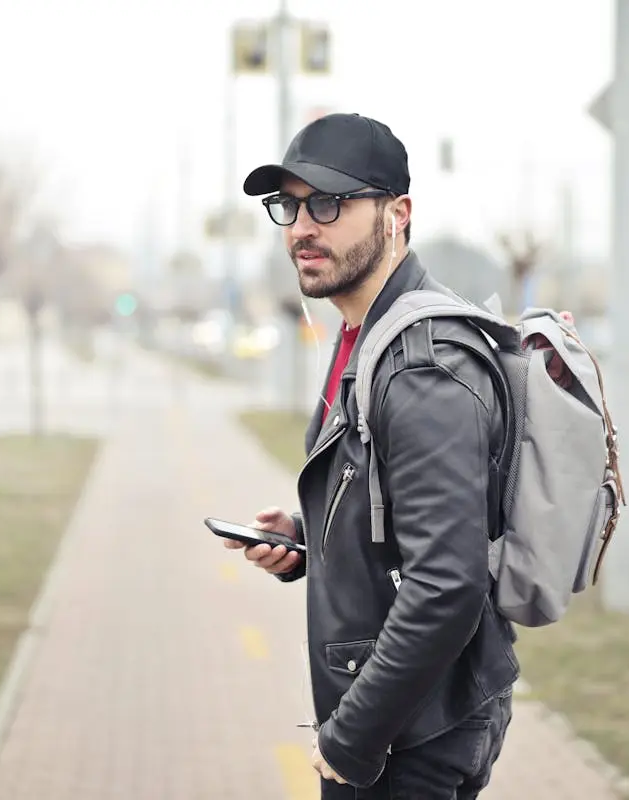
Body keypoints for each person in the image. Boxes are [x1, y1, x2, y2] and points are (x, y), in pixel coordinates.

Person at [228, 112, 520, 798]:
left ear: (398, 214)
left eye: (329, 203)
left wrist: (353, 737)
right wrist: (305, 543)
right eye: (289, 206)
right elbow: (397, 512)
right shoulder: (366, 332)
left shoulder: (422, 367)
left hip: (409, 734)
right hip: (399, 715)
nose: (302, 227)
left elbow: (447, 585)